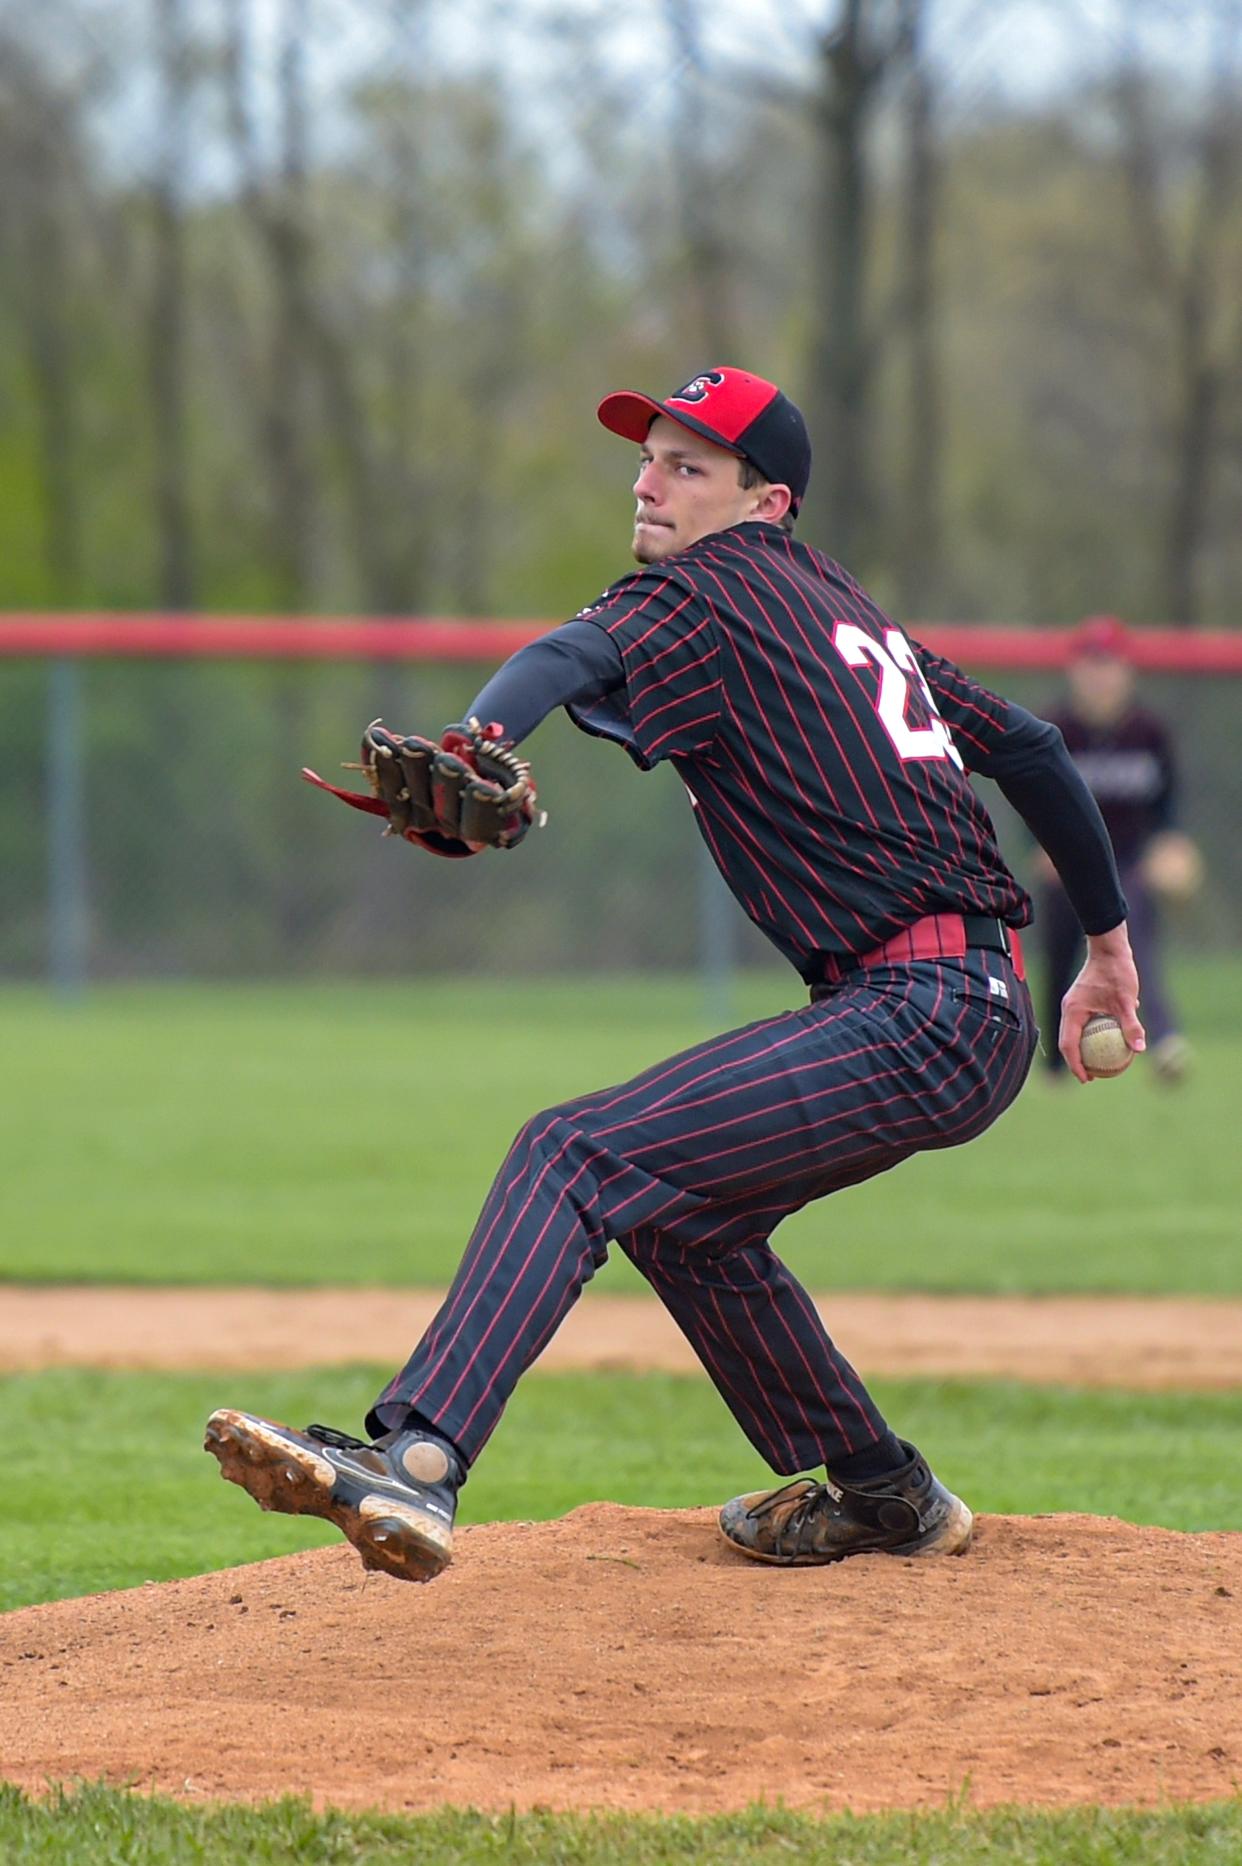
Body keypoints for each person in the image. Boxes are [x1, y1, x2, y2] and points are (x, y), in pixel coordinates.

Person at [206, 367, 1142, 1582]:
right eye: (648, 458)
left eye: (688, 466)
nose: (648, 483)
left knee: (574, 1151)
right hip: (958, 1006)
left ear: (767, 501)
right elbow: (1030, 744)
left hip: (920, 1007)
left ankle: (418, 1461)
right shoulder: (839, 604)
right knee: (685, 1223)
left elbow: (568, 651)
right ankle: (882, 1494)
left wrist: (481, 740)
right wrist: (1107, 948)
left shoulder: (704, 590)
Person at [1035, 614, 1197, 1085]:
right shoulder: (1055, 728)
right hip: (1066, 864)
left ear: (1127, 670)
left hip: (1130, 863)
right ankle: (1052, 1066)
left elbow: (1165, 808)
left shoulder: (1149, 731)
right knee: (1060, 950)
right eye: (1091, 663)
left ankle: (1161, 1039)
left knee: (1133, 936)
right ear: (1074, 671)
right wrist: (1039, 847)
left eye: (1108, 663)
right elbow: (1033, 795)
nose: (1099, 674)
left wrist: (1172, 847)